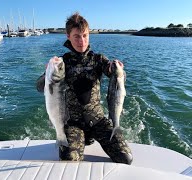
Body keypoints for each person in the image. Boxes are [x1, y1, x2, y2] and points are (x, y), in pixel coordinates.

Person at [36, 12, 133, 165]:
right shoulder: (62, 63)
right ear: (68, 36)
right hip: (72, 123)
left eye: (85, 35)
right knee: (69, 161)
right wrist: (46, 74)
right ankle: (78, 139)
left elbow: (111, 72)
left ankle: (92, 138)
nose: (82, 41)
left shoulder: (98, 59)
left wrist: (116, 68)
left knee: (126, 158)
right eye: (76, 36)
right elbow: (40, 87)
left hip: (98, 121)